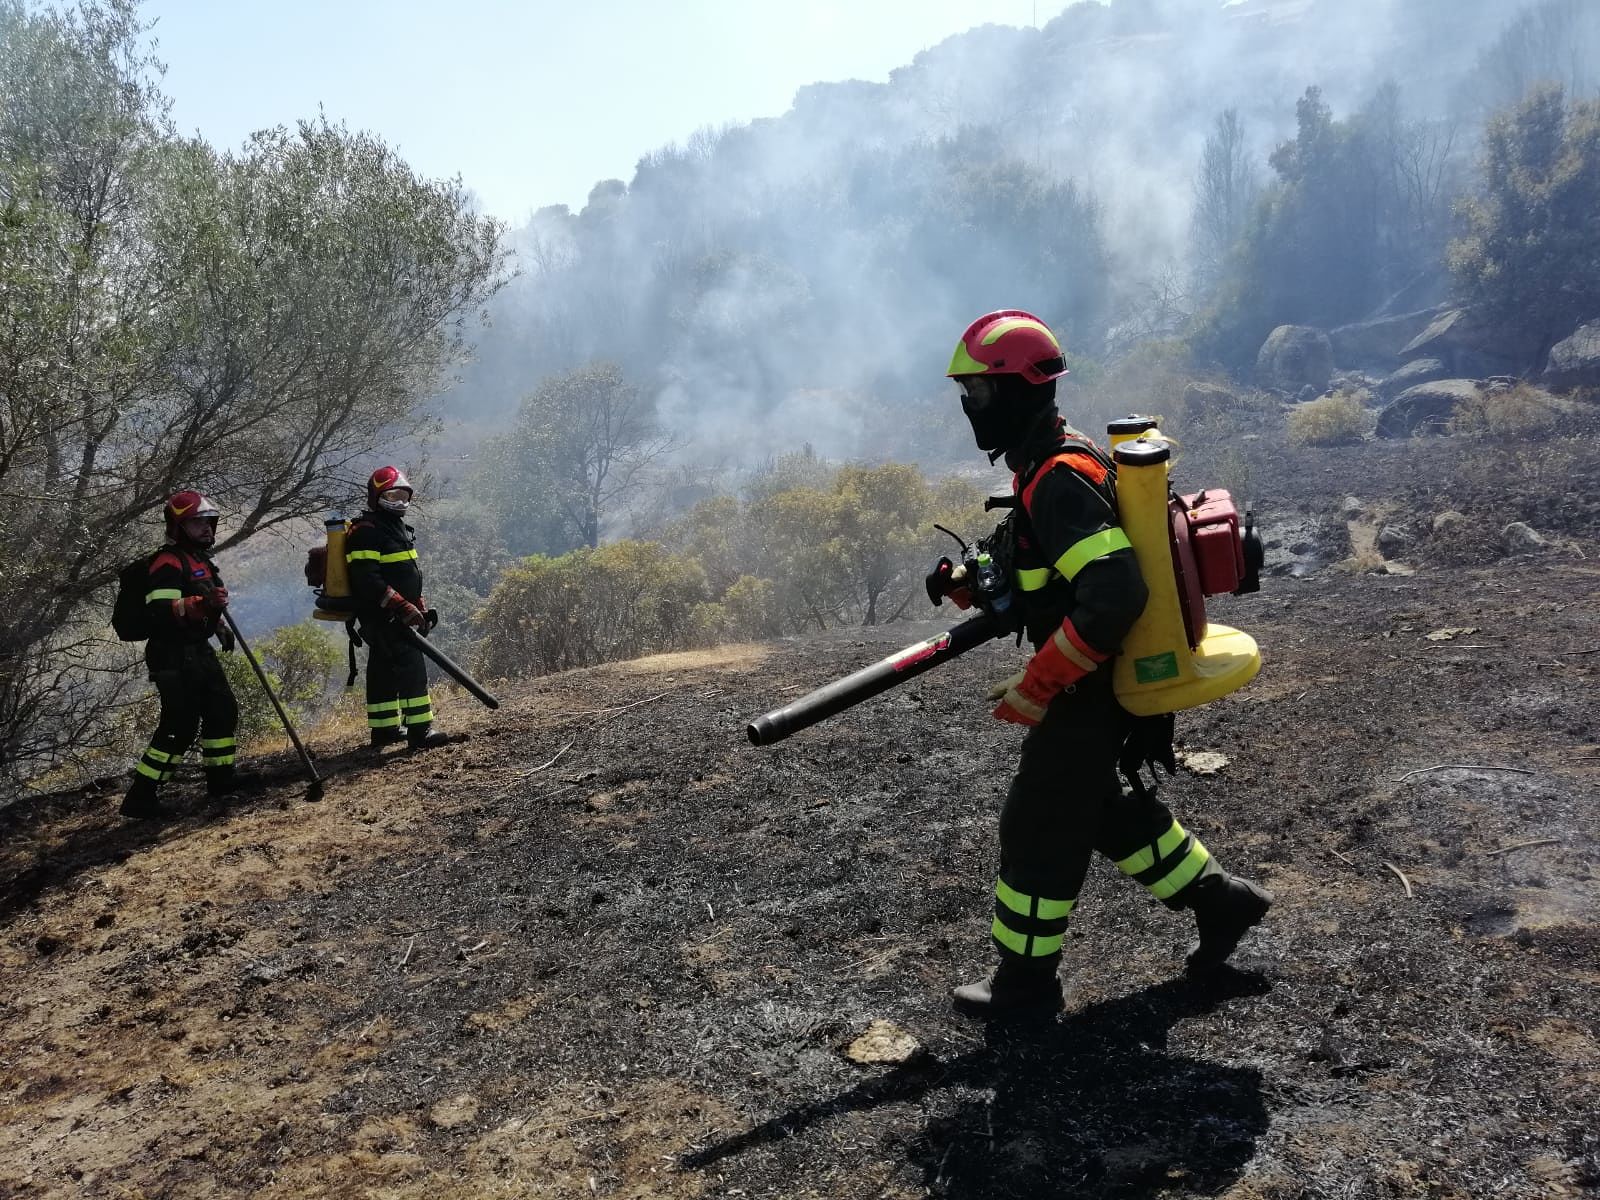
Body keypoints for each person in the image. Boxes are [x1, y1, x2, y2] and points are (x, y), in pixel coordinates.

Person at [941, 310, 1272, 1016]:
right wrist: (979, 580)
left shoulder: (1059, 476)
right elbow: (1034, 555)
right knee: (1094, 810)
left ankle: (1025, 987)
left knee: (1037, 824)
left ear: (1015, 392)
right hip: (1097, 680)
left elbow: (1114, 592)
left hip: (1088, 686)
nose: (972, 408)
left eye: (980, 393)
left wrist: (1040, 683)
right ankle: (1221, 901)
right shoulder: (1048, 461)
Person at [121, 491, 240, 820]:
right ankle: (142, 795)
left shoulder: (199, 559)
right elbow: (161, 610)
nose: (206, 528)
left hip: (196, 651)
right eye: (196, 522)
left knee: (222, 711)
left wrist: (218, 627)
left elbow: (204, 598)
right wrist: (204, 606)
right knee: (181, 725)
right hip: (171, 655)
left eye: (208, 521)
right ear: (178, 526)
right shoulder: (167, 562)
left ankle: (221, 781)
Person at [345, 466, 449, 751]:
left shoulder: (395, 527)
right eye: (392, 494)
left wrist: (419, 604)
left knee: (383, 669)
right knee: (410, 664)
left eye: (404, 494)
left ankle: (384, 730)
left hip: (395, 613)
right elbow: (367, 579)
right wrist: (402, 606)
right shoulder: (365, 532)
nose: (399, 500)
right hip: (383, 615)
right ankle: (420, 730)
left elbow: (406, 572)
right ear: (376, 496)